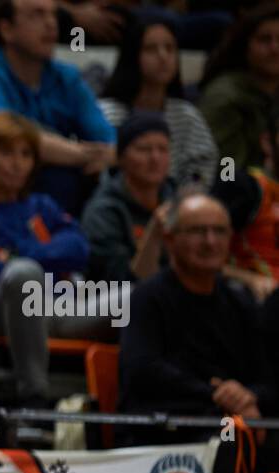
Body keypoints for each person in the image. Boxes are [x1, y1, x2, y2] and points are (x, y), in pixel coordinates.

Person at [0, 110, 102, 403]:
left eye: (26, 154)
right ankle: (34, 397)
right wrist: (41, 258)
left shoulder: (42, 206)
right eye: (6, 153)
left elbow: (79, 249)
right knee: (23, 274)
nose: (17, 164)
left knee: (133, 297)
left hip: (58, 309)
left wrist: (17, 252)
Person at [118, 192, 276, 437]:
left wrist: (248, 396)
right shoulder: (146, 298)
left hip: (231, 419)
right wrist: (218, 394)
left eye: (219, 231)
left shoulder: (240, 302)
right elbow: (143, 371)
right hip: (168, 430)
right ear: (170, 239)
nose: (210, 241)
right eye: (198, 231)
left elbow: (266, 377)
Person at [0, 0, 115, 213]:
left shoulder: (67, 77)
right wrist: (85, 156)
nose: (51, 24)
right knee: (60, 178)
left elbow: (107, 140)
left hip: (58, 190)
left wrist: (110, 154)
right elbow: (10, 138)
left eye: (53, 15)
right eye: (37, 15)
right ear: (6, 29)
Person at [98, 11, 218, 189]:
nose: (163, 57)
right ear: (132, 56)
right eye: (151, 49)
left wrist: (186, 199)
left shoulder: (186, 116)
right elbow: (104, 171)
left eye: (170, 48)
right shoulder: (107, 113)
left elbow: (201, 170)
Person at [79, 112, 175, 285]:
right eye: (144, 149)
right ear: (121, 158)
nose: (155, 158)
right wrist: (153, 235)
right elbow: (121, 285)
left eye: (163, 149)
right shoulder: (103, 212)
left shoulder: (178, 199)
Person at [199, 4, 279, 176]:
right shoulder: (225, 97)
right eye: (265, 40)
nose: (275, 48)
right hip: (242, 194)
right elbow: (226, 172)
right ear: (246, 46)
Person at [213, 108, 279, 302]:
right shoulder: (243, 187)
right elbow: (197, 258)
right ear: (267, 142)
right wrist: (248, 279)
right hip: (252, 299)